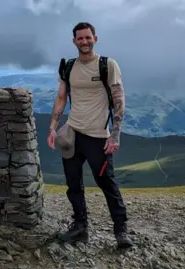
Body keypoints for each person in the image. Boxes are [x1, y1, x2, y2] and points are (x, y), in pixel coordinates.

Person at [47, 22, 134, 248]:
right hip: (72, 134)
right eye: (80, 38)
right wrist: (53, 126)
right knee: (73, 184)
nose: (84, 42)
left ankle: (121, 231)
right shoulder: (68, 67)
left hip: (98, 136)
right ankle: (80, 228)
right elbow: (61, 97)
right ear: (74, 41)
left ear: (95, 38)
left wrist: (115, 136)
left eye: (88, 37)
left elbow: (119, 100)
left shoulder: (107, 65)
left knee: (107, 183)